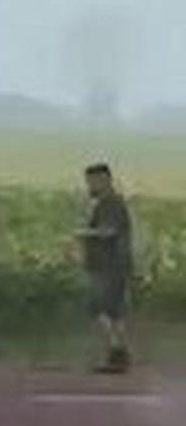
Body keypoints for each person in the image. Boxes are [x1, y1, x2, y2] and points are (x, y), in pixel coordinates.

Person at [80, 160, 133, 374]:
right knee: (113, 311)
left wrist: (84, 234)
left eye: (92, 181)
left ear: (104, 180)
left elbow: (109, 231)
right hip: (110, 266)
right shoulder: (107, 203)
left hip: (109, 266)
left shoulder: (111, 204)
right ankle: (118, 353)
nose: (89, 186)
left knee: (101, 309)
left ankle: (116, 353)